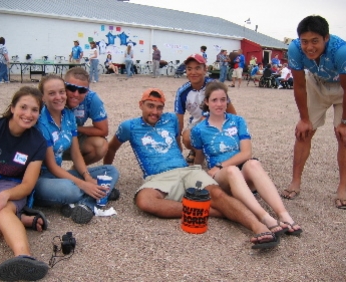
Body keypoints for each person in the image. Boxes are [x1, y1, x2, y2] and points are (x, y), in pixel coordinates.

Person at [104, 88, 283, 249]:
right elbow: (111, 148)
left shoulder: (171, 119)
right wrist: (107, 176)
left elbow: (177, 142)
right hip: (156, 177)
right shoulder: (129, 126)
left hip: (185, 170)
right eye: (150, 106)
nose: (155, 112)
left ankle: (258, 226)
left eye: (159, 107)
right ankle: (216, 212)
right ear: (141, 105)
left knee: (217, 194)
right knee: (144, 201)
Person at [190, 81, 302, 236]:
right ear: (206, 102)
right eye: (214, 100)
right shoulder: (198, 130)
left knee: (253, 163)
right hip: (222, 178)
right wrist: (195, 175)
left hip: (235, 170)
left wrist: (221, 165)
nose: (219, 104)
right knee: (231, 171)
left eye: (223, 99)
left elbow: (246, 153)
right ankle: (265, 217)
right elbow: (199, 158)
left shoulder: (237, 121)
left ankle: (283, 214)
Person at [282, 15, 346, 210]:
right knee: (303, 132)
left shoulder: (342, 51)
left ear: (326, 37)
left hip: (343, 87)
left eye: (315, 41)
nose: (309, 47)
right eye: (305, 41)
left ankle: (342, 188)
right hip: (317, 82)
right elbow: (299, 85)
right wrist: (304, 119)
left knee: (344, 137)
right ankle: (295, 181)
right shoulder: (294, 49)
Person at [34, 75, 119, 224]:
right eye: (52, 93)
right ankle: (97, 197)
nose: (59, 97)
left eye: (61, 92)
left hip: (57, 176)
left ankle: (84, 204)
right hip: (40, 178)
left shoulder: (68, 116)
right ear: (43, 97)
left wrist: (86, 177)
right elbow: (52, 166)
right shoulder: (41, 122)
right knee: (70, 189)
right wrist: (83, 184)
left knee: (111, 171)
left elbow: (75, 153)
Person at [0, 87, 49, 281]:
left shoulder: (38, 142)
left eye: (34, 110)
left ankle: (24, 258)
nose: (28, 114)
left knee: (1, 210)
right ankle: (24, 220)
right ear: (12, 108)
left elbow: (27, 185)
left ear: (39, 114)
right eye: (23, 107)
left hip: (10, 187)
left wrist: (4, 196)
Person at [174, 54, 237, 164]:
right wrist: (178, 143)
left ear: (205, 69)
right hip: (197, 123)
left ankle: (220, 151)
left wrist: (236, 131)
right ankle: (196, 151)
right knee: (187, 138)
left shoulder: (215, 86)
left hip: (218, 121)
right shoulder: (182, 92)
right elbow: (179, 117)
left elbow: (231, 110)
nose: (193, 72)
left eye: (197, 68)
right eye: (189, 69)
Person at [63, 67, 109, 165]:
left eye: (82, 90)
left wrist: (75, 128)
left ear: (87, 91)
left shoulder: (91, 99)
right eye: (71, 88)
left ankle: (75, 173)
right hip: (49, 139)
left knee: (101, 145)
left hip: (73, 138)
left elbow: (103, 130)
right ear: (64, 86)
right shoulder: (55, 95)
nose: (76, 94)